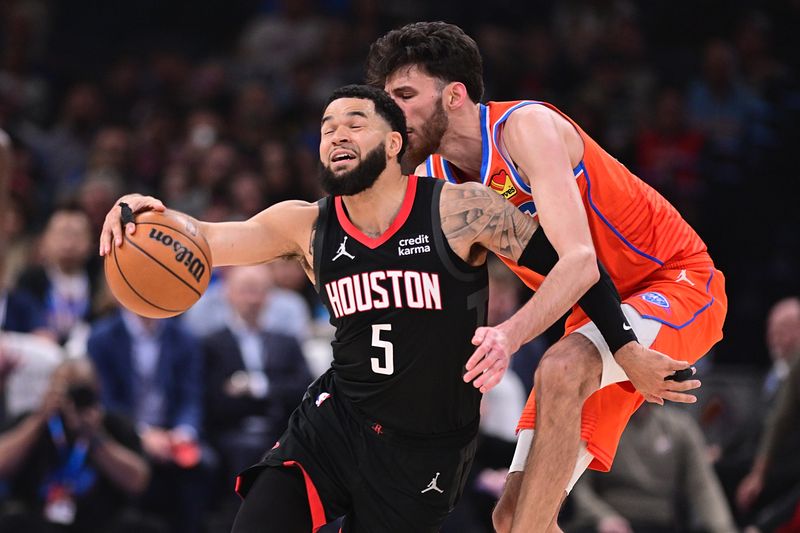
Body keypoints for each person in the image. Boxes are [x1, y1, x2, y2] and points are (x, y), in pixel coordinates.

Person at [98, 84, 635, 532]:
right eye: (328, 128)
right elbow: (205, 238)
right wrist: (135, 212)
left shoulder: (460, 208)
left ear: (395, 142)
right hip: (335, 423)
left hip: (427, 448)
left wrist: (625, 347)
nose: (337, 134)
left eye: (354, 123)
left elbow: (574, 268)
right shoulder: (304, 224)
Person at [366, 21, 725, 532]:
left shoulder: (523, 128)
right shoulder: (432, 180)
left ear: (455, 96)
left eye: (403, 94)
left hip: (674, 283)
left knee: (557, 368)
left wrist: (508, 336)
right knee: (511, 517)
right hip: (597, 321)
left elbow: (579, 261)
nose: (390, 113)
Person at [0, 358, 155, 533]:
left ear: (97, 390)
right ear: (51, 388)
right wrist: (38, 421)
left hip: (100, 522)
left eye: (81, 392)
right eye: (66, 391)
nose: (72, 401)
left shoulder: (115, 425)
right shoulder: (30, 421)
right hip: (37, 519)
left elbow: (138, 482)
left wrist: (96, 437)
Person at [569, 404, 736, 533]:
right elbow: (579, 486)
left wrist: (724, 529)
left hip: (659, 521)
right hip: (609, 518)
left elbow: (703, 487)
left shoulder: (680, 427)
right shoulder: (597, 423)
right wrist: (603, 516)